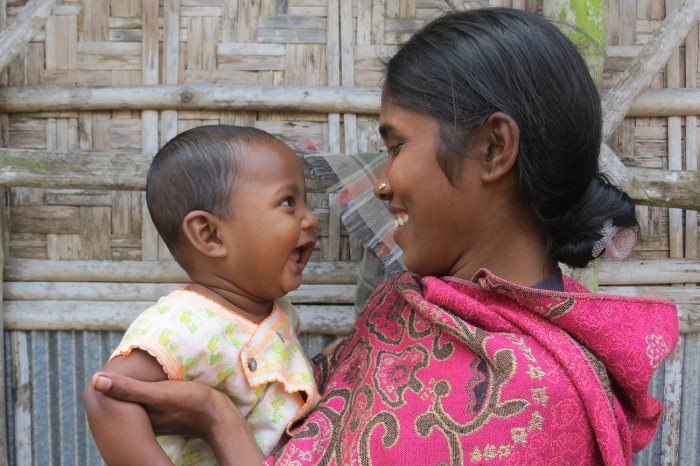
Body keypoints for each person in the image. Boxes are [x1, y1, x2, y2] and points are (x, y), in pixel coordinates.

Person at [87, 8, 679, 465]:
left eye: (396, 146)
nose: (383, 183)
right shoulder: (407, 311)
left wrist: (217, 419)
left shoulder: (536, 396)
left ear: (493, 149)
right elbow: (295, 416)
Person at [83, 125, 321, 465]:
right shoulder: (183, 325)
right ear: (209, 235)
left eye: (304, 202)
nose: (310, 218)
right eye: (288, 202)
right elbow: (106, 395)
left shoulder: (270, 309)